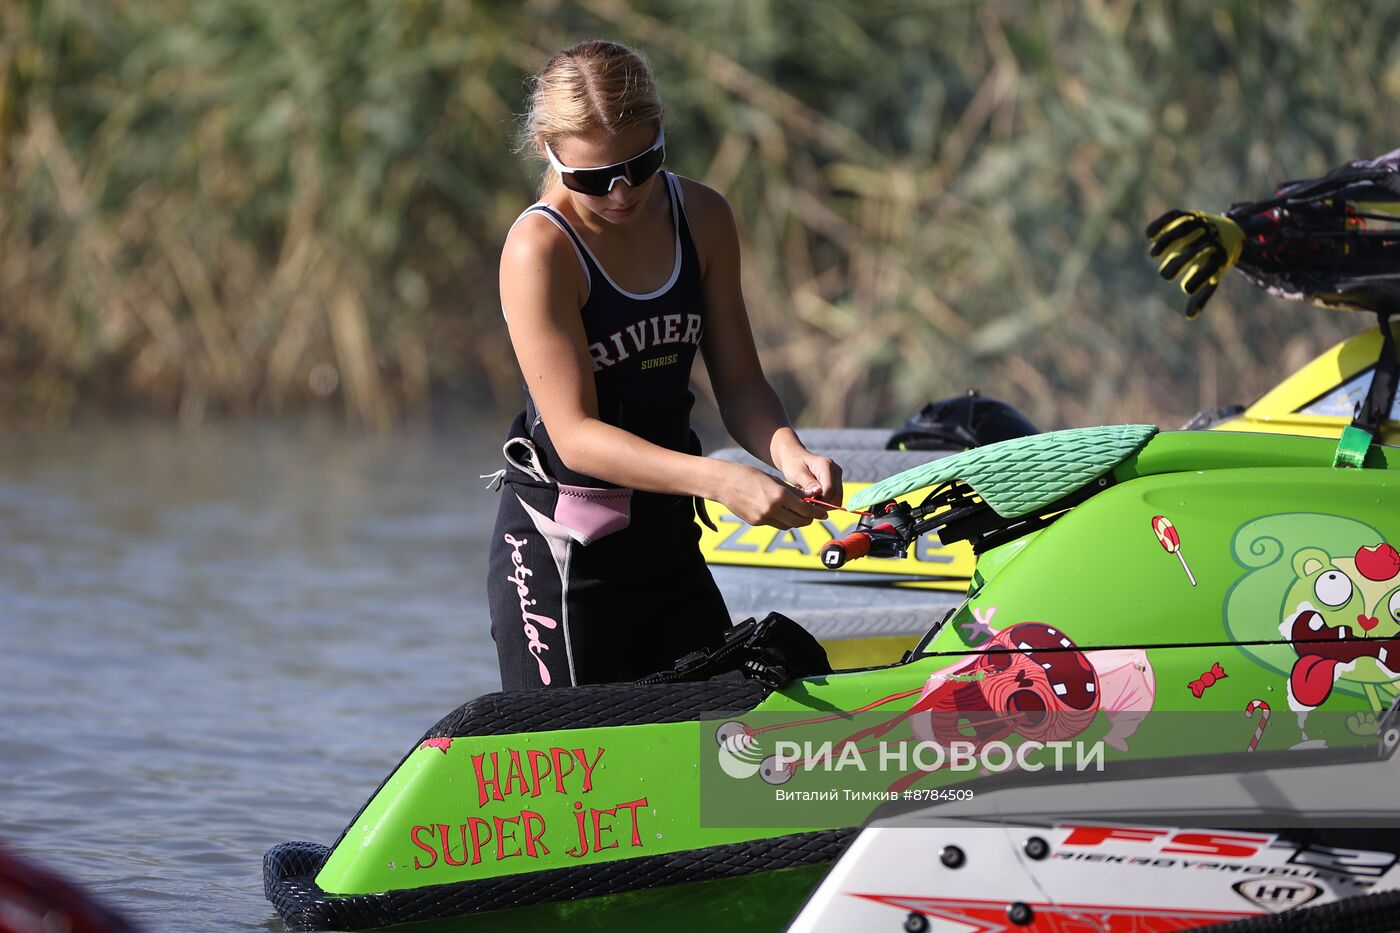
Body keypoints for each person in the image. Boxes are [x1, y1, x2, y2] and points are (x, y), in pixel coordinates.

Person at [487, 40, 842, 690]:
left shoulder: (703, 216)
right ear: (548, 151)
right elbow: (575, 435)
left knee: (721, 754)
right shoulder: (539, 250)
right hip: (568, 557)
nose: (622, 193)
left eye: (641, 164)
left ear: (661, 134)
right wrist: (721, 481)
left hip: (668, 543)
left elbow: (739, 384)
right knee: (578, 782)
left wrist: (790, 453)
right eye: (594, 178)